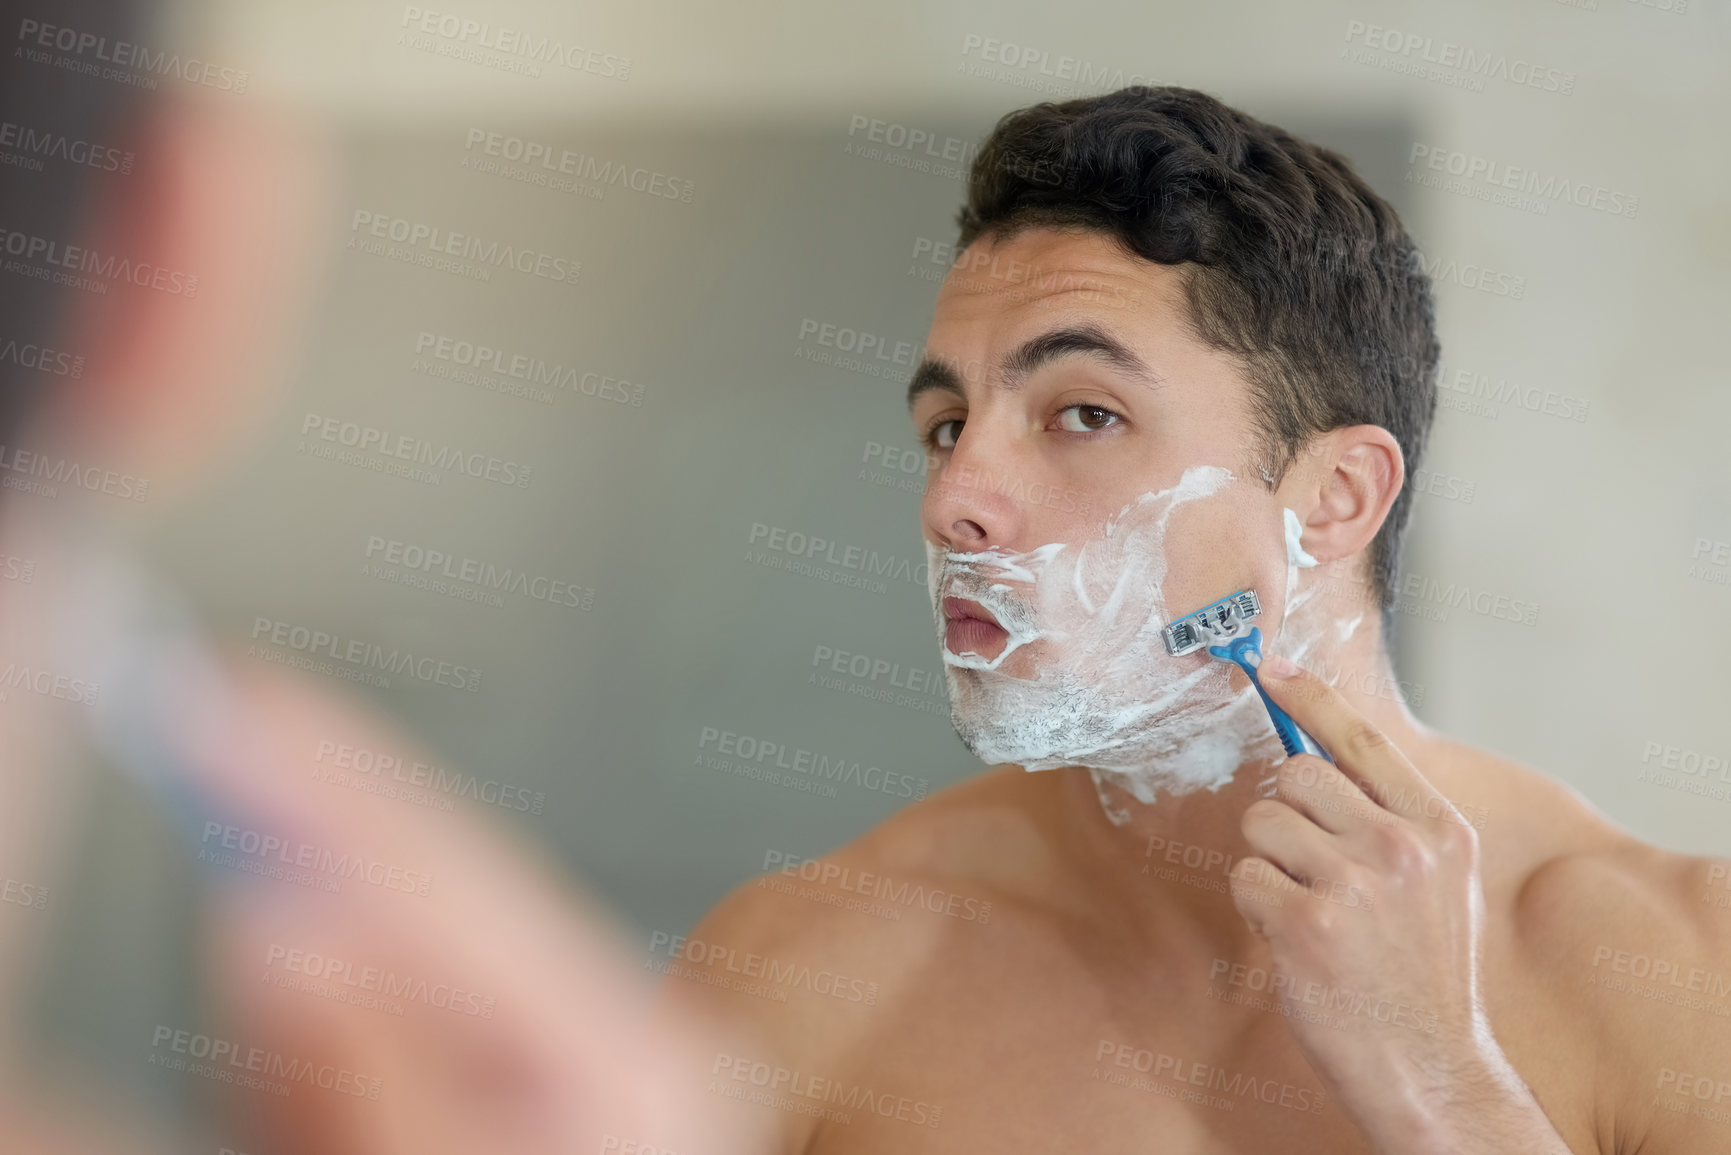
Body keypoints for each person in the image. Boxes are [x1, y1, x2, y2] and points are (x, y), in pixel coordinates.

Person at [666, 86, 1731, 1153]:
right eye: (947, 427)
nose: (952, 503)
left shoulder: (1683, 972)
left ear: (1336, 497)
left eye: (1084, 414)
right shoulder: (800, 968)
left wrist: (1443, 1087)